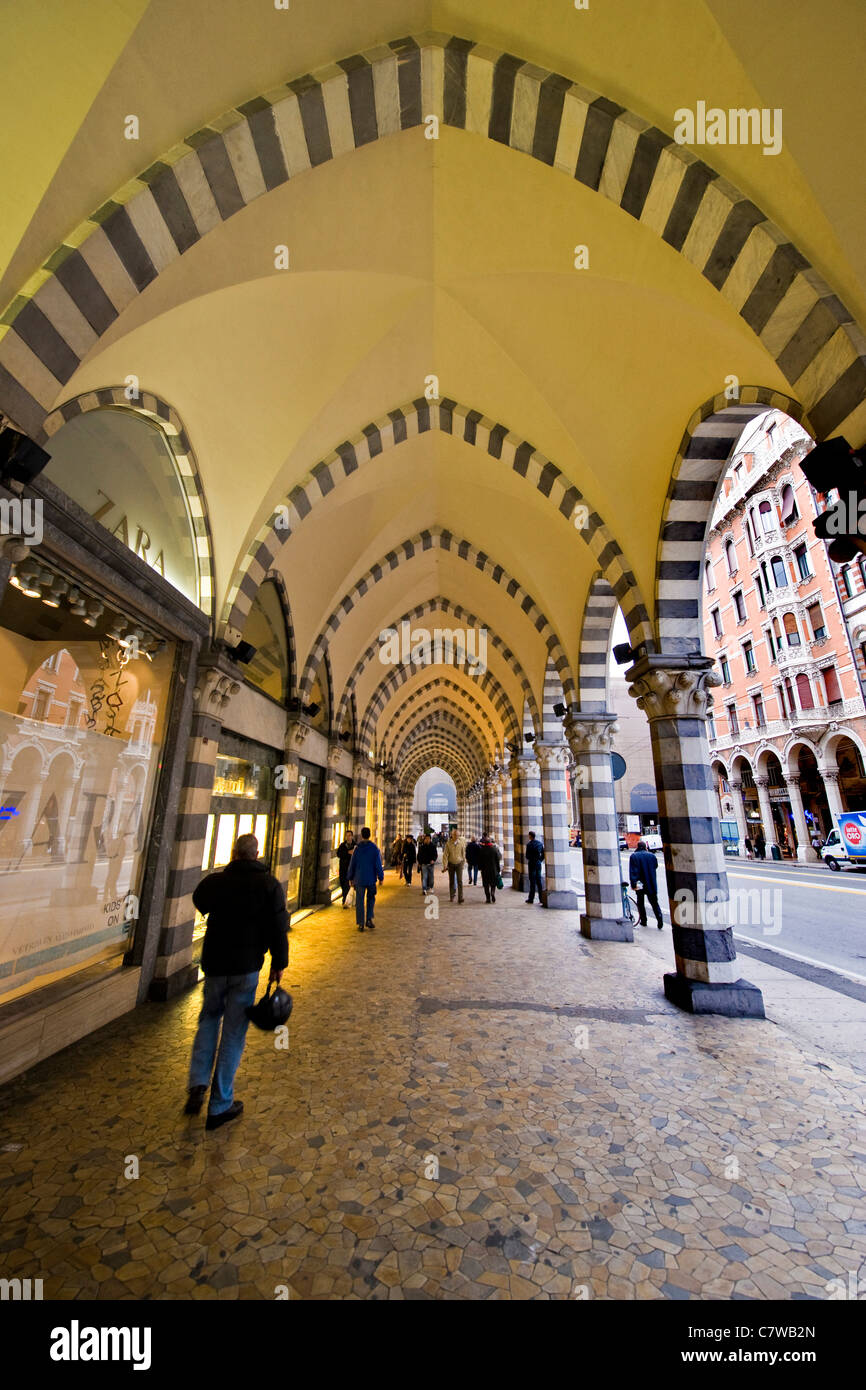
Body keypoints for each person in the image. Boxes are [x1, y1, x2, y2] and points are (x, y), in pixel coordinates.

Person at [185, 833, 288, 1130]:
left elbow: (199, 899)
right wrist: (279, 964)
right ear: (256, 854)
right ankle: (220, 1104)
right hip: (246, 968)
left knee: (207, 1020)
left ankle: (197, 1084)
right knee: (233, 1032)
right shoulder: (268, 885)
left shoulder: (217, 882)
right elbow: (278, 927)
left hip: (215, 965)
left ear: (234, 853)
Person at [348, 826, 384, 931]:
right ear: (369, 835)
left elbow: (352, 863)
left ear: (361, 835)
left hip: (359, 878)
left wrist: (350, 877)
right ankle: (369, 919)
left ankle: (360, 923)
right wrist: (381, 877)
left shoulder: (357, 849)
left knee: (359, 901)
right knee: (371, 899)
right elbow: (378, 864)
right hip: (371, 879)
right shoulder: (374, 848)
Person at [629, 839, 664, 929]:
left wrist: (633, 884)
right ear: (645, 847)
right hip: (651, 882)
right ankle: (660, 920)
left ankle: (643, 921)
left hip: (639, 884)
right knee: (654, 902)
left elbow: (633, 872)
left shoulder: (634, 856)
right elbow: (655, 866)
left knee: (640, 902)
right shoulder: (652, 856)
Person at [442, 828, 467, 903]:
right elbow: (445, 855)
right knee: (452, 881)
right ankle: (452, 896)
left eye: (457, 835)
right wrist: (445, 865)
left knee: (460, 881)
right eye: (455, 835)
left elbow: (463, 854)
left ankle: (460, 898)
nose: (456, 836)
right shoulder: (448, 843)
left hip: (459, 863)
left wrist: (463, 864)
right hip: (451, 864)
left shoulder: (461, 843)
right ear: (452, 835)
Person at [477, 833, 501, 903]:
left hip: (485, 870)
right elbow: (498, 860)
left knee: (486, 884)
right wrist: (498, 869)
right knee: (493, 883)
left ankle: (488, 898)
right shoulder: (494, 849)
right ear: (490, 842)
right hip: (493, 870)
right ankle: (492, 893)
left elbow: (480, 860)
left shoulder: (482, 850)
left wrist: (480, 868)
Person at [525, 831, 545, 904]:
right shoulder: (540, 844)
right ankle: (541, 899)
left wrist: (532, 859)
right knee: (539, 881)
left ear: (530, 836)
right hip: (538, 864)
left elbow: (527, 856)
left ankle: (531, 899)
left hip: (532, 864)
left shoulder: (529, 845)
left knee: (532, 882)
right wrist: (540, 860)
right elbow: (543, 854)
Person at [337, 830, 355, 908]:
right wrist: (348, 852)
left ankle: (345, 901)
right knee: (343, 884)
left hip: (352, 869)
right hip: (343, 869)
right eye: (347, 835)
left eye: (349, 835)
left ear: (352, 836)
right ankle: (346, 900)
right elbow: (338, 854)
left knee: (349, 886)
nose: (348, 837)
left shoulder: (355, 846)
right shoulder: (342, 845)